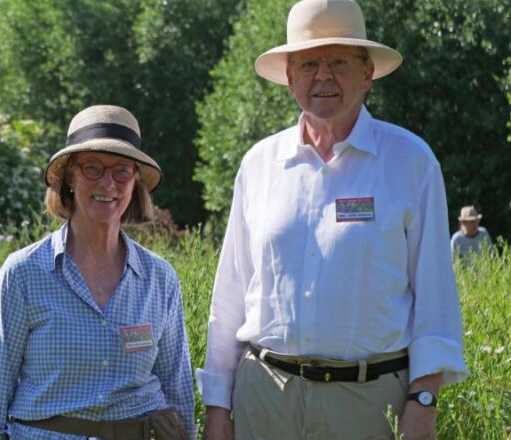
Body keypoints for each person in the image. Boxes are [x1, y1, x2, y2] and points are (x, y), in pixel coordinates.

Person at [196, 1, 469, 439]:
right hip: (265, 399)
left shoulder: (410, 161)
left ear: (366, 74)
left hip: (370, 402)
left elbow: (435, 294)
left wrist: (423, 400)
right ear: (289, 78)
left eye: (338, 61)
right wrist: (216, 406)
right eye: (307, 63)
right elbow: (229, 295)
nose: (322, 76)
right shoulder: (259, 164)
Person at [0, 105, 195, 440]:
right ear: (69, 177)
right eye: (92, 169)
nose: (108, 183)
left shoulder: (159, 278)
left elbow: (177, 387)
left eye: (122, 170)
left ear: (135, 182)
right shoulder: (24, 272)